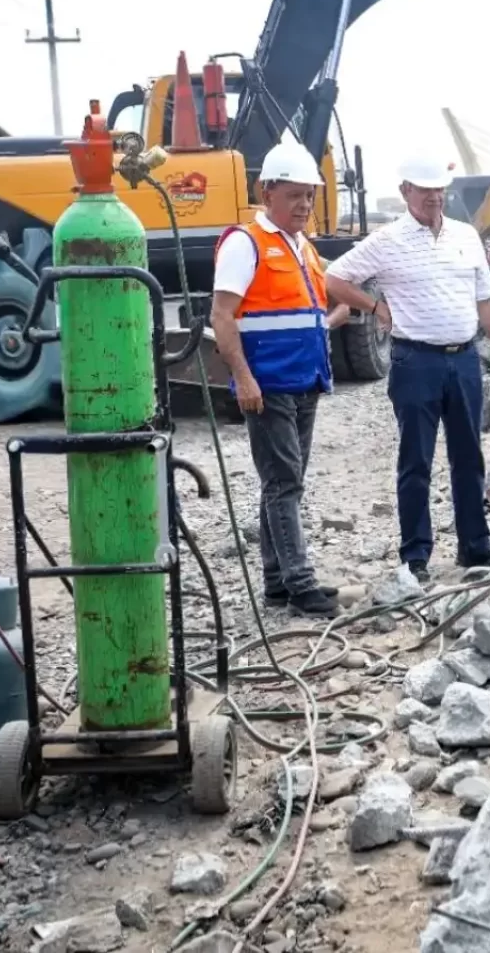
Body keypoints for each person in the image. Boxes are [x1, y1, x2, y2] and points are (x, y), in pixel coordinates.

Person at [323, 155, 490, 583]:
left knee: (469, 456)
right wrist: (375, 306)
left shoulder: (465, 235)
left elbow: (485, 299)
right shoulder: (387, 240)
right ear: (406, 190)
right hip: (416, 362)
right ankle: (415, 557)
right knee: (416, 461)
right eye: (425, 189)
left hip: (464, 358)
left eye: (439, 189)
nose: (434, 197)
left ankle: (475, 548)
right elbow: (334, 278)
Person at [210, 138, 353, 618]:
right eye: (294, 195)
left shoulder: (301, 246)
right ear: (265, 191)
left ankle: (277, 582)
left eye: (309, 195)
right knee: (285, 482)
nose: (304, 204)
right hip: (268, 385)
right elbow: (222, 316)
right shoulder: (245, 243)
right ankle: (300, 584)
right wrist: (244, 378)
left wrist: (333, 319)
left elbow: (312, 306)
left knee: (281, 482)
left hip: (305, 381)